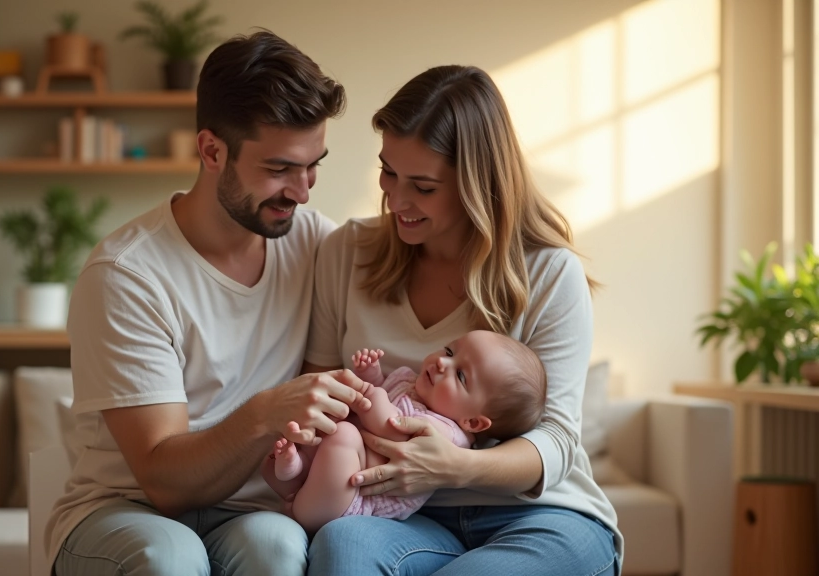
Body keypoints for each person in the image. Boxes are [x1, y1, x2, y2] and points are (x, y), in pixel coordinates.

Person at [44, 31, 369, 576]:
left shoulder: (316, 243)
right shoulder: (128, 274)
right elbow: (165, 484)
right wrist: (269, 411)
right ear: (212, 150)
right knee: (169, 557)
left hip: (250, 513)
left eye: (314, 165)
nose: (304, 190)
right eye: (279, 169)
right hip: (126, 511)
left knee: (279, 548)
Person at [304, 65, 622, 575]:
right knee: (342, 550)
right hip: (403, 518)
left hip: (537, 516)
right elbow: (316, 386)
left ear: (478, 184)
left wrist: (455, 466)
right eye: (388, 172)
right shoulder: (347, 251)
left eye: (423, 187)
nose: (397, 201)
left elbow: (558, 440)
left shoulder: (546, 271)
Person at [263, 330, 547, 533]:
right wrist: (371, 375)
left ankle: (304, 509)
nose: (441, 362)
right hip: (330, 475)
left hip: (356, 499)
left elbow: (389, 425)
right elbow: (385, 393)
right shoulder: (407, 381)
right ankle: (293, 470)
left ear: (472, 422)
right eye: (449, 351)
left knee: (344, 435)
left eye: (460, 375)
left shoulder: (447, 434)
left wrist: (369, 394)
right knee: (299, 444)